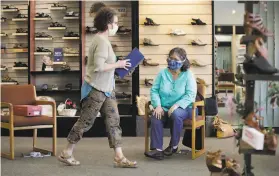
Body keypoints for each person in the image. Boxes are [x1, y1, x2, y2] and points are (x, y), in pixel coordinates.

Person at [58, 7, 137, 168]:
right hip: (95, 89)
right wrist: (119, 64)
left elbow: (105, 66)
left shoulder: (102, 40)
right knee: (85, 122)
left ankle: (119, 157)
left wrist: (122, 66)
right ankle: (67, 152)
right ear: (108, 24)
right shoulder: (101, 42)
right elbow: (99, 67)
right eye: (115, 22)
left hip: (107, 89)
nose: (117, 25)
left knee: (113, 121)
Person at [144, 47, 197, 160]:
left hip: (185, 107)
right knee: (156, 115)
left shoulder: (188, 74)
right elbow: (154, 91)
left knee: (176, 114)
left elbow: (190, 95)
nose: (171, 61)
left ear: (183, 61)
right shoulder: (162, 73)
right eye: (170, 58)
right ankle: (157, 149)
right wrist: (157, 106)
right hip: (164, 106)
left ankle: (173, 146)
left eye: (175, 59)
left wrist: (177, 105)